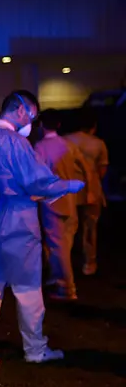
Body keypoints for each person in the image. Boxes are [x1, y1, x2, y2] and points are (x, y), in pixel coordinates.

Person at [0, 90, 85, 367]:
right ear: (21, 110)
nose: (31, 119)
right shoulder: (15, 142)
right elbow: (37, 181)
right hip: (18, 223)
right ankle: (35, 348)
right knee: (28, 288)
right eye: (31, 113)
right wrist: (67, 185)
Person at [34, 109, 92, 301]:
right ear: (59, 125)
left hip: (52, 203)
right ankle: (57, 281)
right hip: (70, 201)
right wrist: (89, 190)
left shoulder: (40, 147)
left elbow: (37, 176)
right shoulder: (68, 145)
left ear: (41, 125)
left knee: (57, 247)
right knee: (65, 244)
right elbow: (85, 168)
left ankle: (66, 288)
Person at [64, 108, 108, 276]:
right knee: (90, 228)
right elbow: (102, 170)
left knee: (67, 229)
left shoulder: (65, 141)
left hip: (69, 191)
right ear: (93, 126)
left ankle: (65, 263)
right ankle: (89, 262)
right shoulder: (98, 143)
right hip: (92, 191)